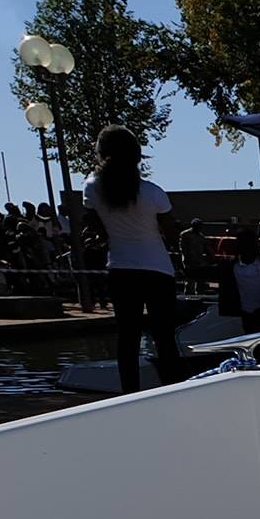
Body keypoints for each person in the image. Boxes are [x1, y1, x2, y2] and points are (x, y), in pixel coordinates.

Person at [82, 125, 181, 393]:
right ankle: (173, 390)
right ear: (137, 156)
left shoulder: (92, 189)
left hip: (121, 269)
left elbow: (93, 221)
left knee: (128, 337)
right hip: (158, 270)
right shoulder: (152, 192)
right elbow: (171, 231)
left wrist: (108, 236)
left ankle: (130, 394)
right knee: (164, 337)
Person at [178, 217, 209, 292]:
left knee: (200, 279)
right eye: (197, 226)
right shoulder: (185, 234)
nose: (199, 228)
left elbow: (206, 247)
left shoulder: (201, 236)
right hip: (189, 260)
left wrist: (210, 256)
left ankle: (199, 293)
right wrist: (185, 258)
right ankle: (189, 295)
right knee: (190, 280)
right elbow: (183, 248)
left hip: (199, 260)